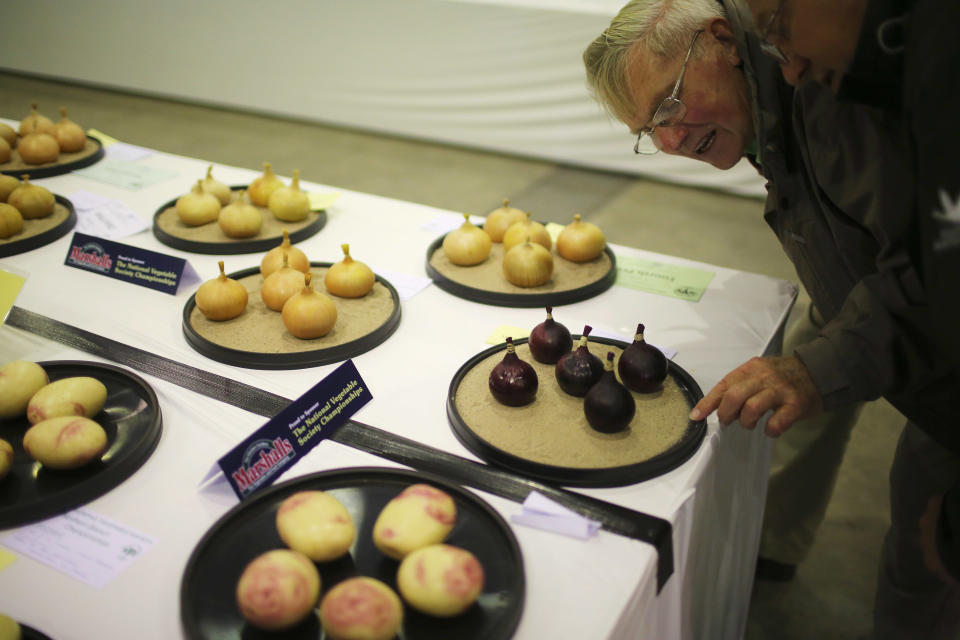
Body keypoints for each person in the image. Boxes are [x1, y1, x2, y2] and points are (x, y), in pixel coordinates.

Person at [583, 0, 959, 637]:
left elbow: (930, 269)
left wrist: (816, 370)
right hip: (874, 296)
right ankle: (775, 541)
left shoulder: (831, 93)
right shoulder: (763, 94)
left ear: (724, 39)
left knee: (923, 519)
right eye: (650, 130)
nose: (672, 142)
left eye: (669, 107)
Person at [739, 0, 960, 632]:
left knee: (924, 553)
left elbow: (931, 267)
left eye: (781, 34)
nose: (791, 69)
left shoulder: (921, 69)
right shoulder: (890, 59)